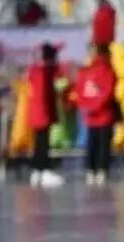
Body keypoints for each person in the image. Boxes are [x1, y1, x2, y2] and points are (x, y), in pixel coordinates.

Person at [75, 44, 118, 185]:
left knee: (92, 143)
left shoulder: (87, 71)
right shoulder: (107, 70)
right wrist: (96, 105)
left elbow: (80, 90)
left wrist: (88, 105)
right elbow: (109, 91)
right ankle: (101, 170)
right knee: (102, 144)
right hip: (103, 113)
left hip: (92, 113)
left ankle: (91, 170)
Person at [25, 43, 66, 188]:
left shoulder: (36, 71)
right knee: (43, 143)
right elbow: (44, 95)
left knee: (39, 142)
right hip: (43, 112)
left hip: (36, 112)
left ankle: (37, 171)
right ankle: (44, 170)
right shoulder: (44, 73)